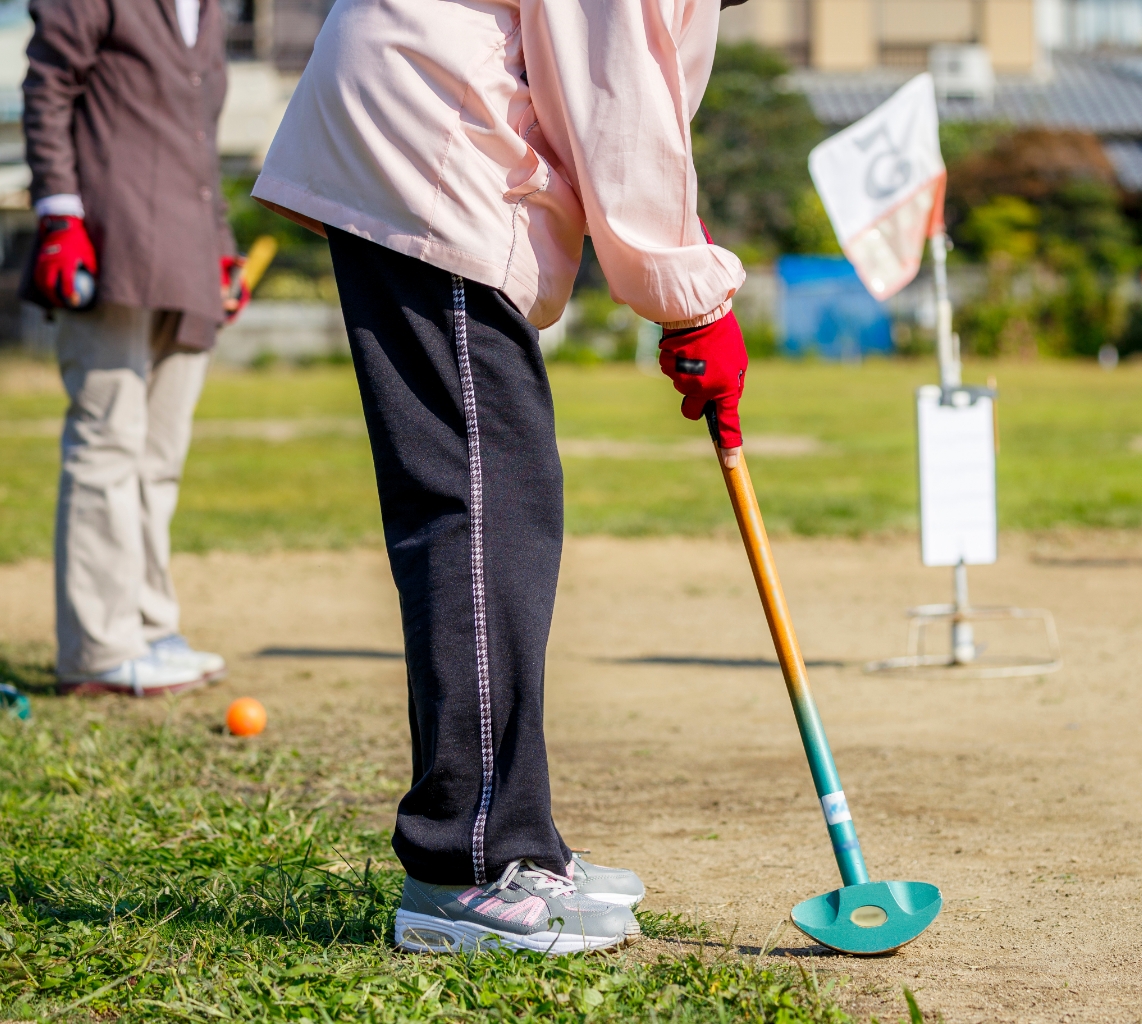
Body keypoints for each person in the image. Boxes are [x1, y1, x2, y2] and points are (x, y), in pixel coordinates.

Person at [251, 0, 751, 954]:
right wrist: (691, 302)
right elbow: (615, 97)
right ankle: (469, 865)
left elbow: (635, 103)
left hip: (417, 124)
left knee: (494, 496)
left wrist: (679, 250)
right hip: (433, 134)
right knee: (482, 507)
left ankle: (511, 842)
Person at [23, 0, 247, 697]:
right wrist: (58, 211)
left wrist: (223, 247)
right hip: (110, 241)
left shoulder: (211, 9)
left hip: (189, 253)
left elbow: (199, 136)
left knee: (158, 457)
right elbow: (48, 84)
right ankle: (96, 648)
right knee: (106, 444)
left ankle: (148, 627)